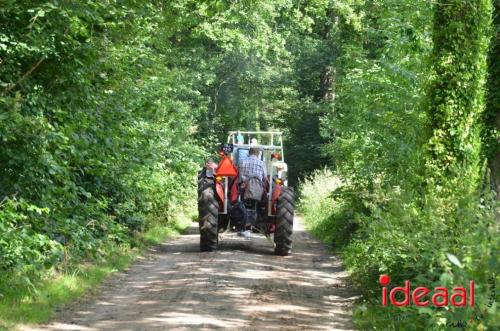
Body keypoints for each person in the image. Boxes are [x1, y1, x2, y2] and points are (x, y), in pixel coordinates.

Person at [236, 147, 267, 239]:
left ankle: (241, 222)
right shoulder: (261, 163)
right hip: (258, 189)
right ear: (258, 154)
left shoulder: (241, 162)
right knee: (260, 204)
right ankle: (258, 221)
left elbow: (237, 174)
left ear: (249, 153)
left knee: (239, 199)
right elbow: (265, 177)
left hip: (244, 189)